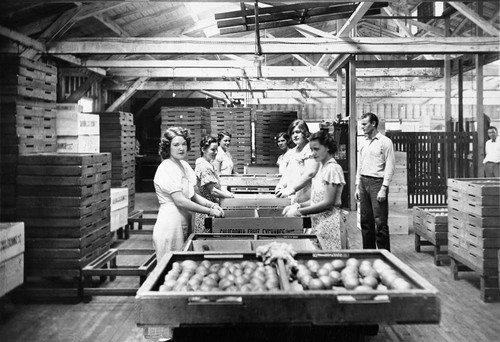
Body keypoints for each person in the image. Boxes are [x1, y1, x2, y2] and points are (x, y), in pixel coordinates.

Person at [152, 127, 224, 262]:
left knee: (184, 264)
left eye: (184, 144)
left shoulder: (183, 165)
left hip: (185, 221)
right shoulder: (166, 168)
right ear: (168, 147)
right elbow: (180, 201)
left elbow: (192, 195)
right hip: (170, 225)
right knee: (171, 269)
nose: (181, 148)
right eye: (176, 144)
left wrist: (211, 204)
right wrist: (209, 211)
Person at [282, 130, 345, 250]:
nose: (313, 153)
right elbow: (316, 200)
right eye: (311, 149)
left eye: (316, 149)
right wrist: (298, 206)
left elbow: (327, 203)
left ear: (327, 148)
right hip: (319, 223)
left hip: (331, 225)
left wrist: (300, 212)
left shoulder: (332, 169)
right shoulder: (322, 168)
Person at [355, 113, 395, 251]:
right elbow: (359, 165)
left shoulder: (385, 142)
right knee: (365, 221)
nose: (362, 127)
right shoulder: (363, 142)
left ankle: (385, 255)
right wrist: (357, 186)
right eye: (361, 124)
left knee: (380, 222)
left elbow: (390, 166)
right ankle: (369, 253)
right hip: (363, 182)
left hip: (378, 183)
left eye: (365, 124)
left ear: (373, 123)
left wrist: (384, 187)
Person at [194, 136, 235, 233]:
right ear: (203, 149)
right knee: (205, 241)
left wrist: (228, 194)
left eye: (217, 149)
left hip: (213, 207)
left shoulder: (209, 164)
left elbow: (218, 187)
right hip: (206, 210)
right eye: (212, 150)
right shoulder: (203, 166)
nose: (216, 152)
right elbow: (213, 191)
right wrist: (230, 196)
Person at [275, 120, 320, 204]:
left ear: (305, 132)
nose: (295, 135)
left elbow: (310, 173)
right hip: (296, 198)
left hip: (309, 198)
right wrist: (281, 185)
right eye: (292, 133)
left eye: (298, 132)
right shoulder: (293, 152)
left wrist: (291, 189)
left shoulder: (310, 149)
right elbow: (288, 173)